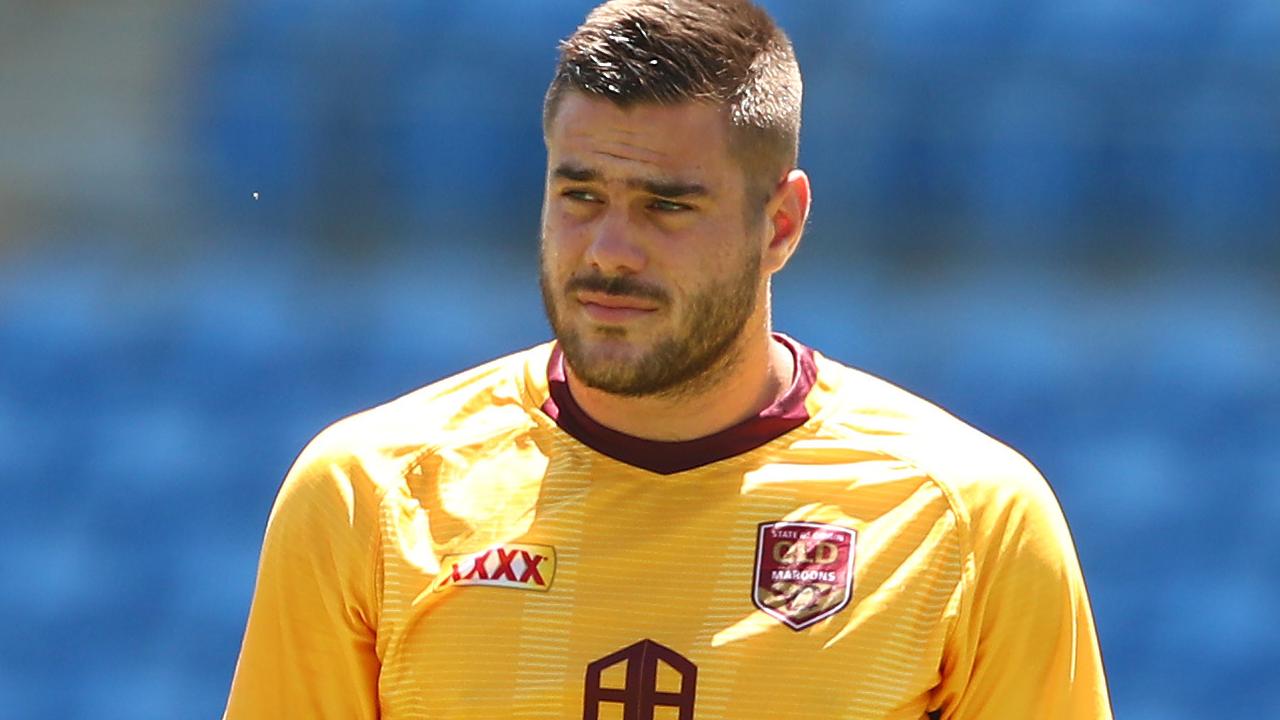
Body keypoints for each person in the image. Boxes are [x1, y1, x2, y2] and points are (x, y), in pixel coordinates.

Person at [223, 1, 1112, 718]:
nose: (610, 249)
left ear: (782, 224)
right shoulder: (366, 497)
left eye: (666, 206)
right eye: (580, 194)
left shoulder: (971, 521)